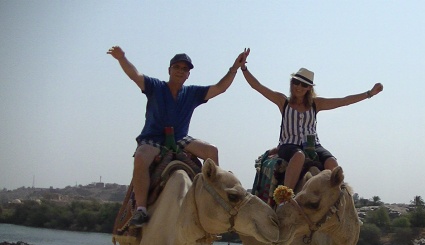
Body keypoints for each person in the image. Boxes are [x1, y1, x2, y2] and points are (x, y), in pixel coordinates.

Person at [107, 46, 246, 226]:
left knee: (212, 151)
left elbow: (220, 88)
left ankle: (211, 198)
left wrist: (234, 68)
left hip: (180, 138)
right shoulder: (155, 87)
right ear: (169, 70)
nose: (180, 71)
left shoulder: (191, 93)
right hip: (153, 138)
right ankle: (141, 209)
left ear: (188, 74)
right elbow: (135, 75)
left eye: (184, 69)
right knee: (141, 158)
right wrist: (122, 58)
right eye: (177, 67)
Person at [240, 48, 383, 190]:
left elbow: (343, 101)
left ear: (309, 88)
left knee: (333, 163)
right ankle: (284, 196)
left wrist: (369, 93)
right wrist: (244, 68)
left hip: (313, 145)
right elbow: (257, 86)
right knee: (299, 156)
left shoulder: (316, 104)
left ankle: (340, 201)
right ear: (292, 83)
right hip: (289, 145)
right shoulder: (283, 102)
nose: (299, 87)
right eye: (296, 82)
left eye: (304, 85)